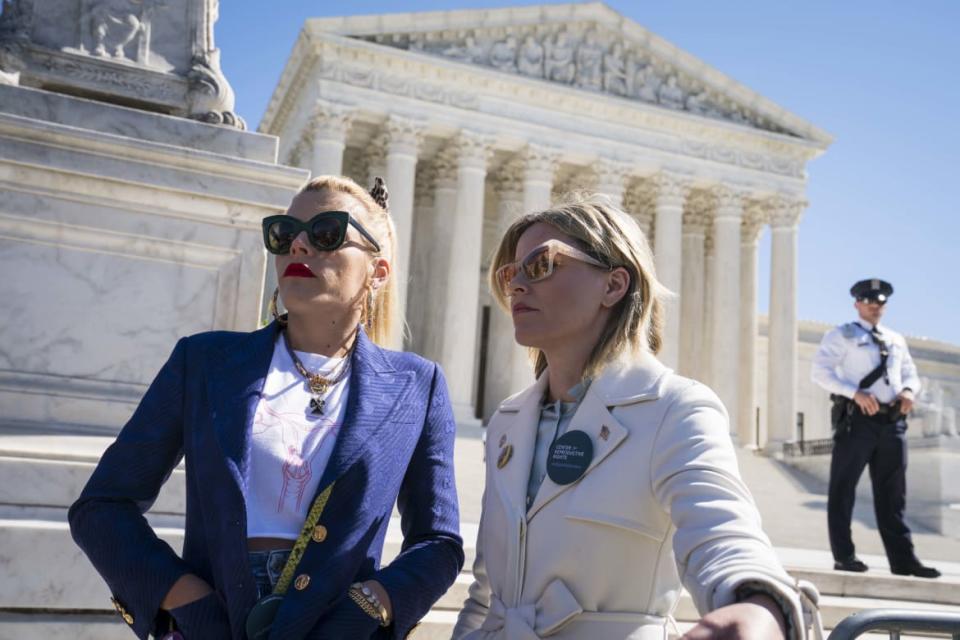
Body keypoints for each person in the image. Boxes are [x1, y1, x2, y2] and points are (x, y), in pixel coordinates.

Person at [69, 175, 464, 639]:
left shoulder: (417, 385)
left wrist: (369, 606)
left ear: (377, 271)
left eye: (326, 233)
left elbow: (438, 542)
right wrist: (184, 598)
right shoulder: (205, 362)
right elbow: (102, 507)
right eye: (283, 233)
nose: (297, 244)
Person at [454, 193, 822, 640]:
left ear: (613, 285)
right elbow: (486, 594)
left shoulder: (675, 408)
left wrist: (759, 606)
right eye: (511, 272)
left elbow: (724, 534)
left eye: (542, 264)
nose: (516, 286)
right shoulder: (509, 422)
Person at [811, 278, 939, 579]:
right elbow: (820, 372)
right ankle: (844, 556)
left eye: (880, 302)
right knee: (843, 490)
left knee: (893, 494)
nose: (875, 307)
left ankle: (904, 560)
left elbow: (910, 373)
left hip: (892, 422)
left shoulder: (895, 339)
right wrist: (853, 392)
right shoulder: (841, 335)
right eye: (869, 302)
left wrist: (909, 391)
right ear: (857, 304)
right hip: (858, 421)